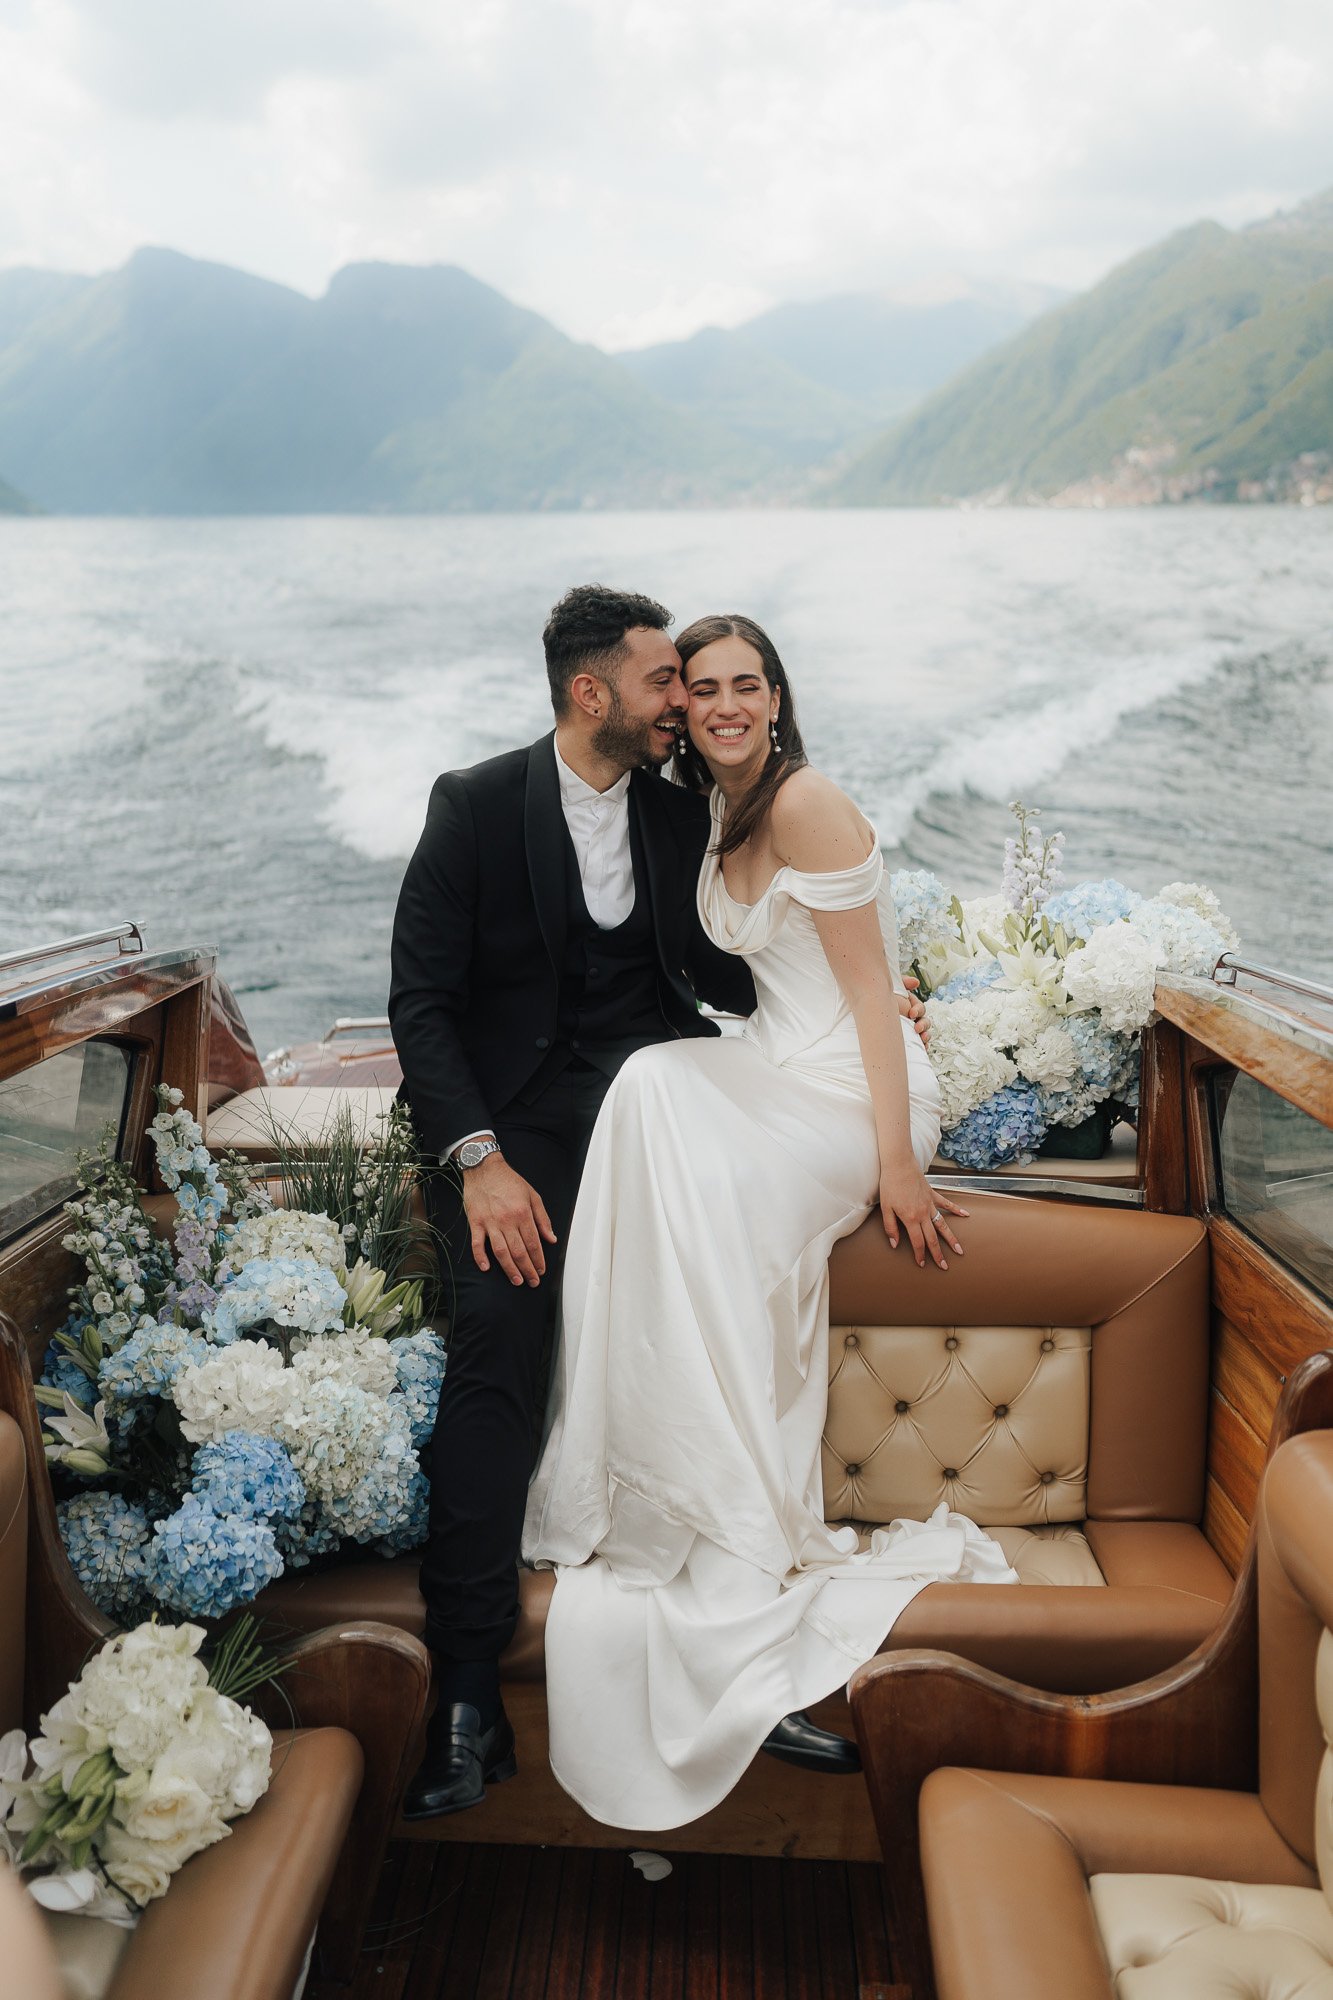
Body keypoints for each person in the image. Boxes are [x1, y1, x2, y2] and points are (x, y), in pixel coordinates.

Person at [389, 584, 934, 1820]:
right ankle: (468, 1690)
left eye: (710, 685)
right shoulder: (474, 805)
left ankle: (728, 1574)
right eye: (666, 682)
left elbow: (734, 961)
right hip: (517, 1133)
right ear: (594, 694)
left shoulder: (683, 807)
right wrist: (478, 1159)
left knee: (700, 1264)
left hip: (657, 1104)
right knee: (498, 1334)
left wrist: (877, 998)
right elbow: (420, 1003)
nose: (685, 703)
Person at [523, 613, 990, 1833]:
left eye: (747, 683)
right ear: (679, 705)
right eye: (703, 685)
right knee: (647, 1086)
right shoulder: (710, 806)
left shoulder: (805, 801)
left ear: (777, 697)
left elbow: (866, 993)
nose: (725, 702)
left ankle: (735, 1533)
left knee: (686, 1137)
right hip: (776, 1063)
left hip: (855, 1096)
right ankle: (650, 1477)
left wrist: (896, 1161)